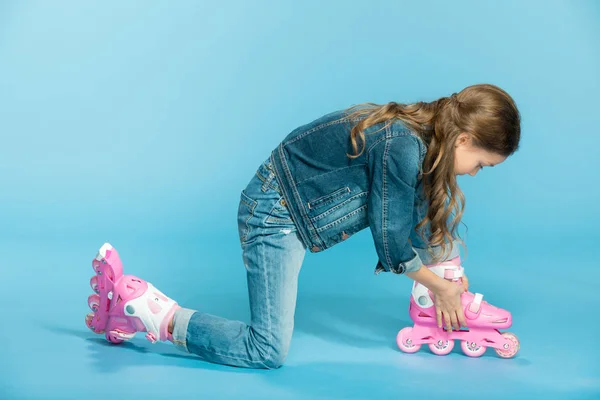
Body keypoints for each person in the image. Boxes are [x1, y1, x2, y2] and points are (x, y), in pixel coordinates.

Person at [85, 83, 521, 369]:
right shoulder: (402, 145)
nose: (475, 173)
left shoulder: (425, 141)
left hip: (292, 208)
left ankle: (438, 292)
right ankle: (151, 311)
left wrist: (449, 273)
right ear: (464, 139)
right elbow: (391, 242)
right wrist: (441, 286)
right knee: (267, 349)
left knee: (428, 206)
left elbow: (419, 215)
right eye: (481, 164)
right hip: (273, 216)